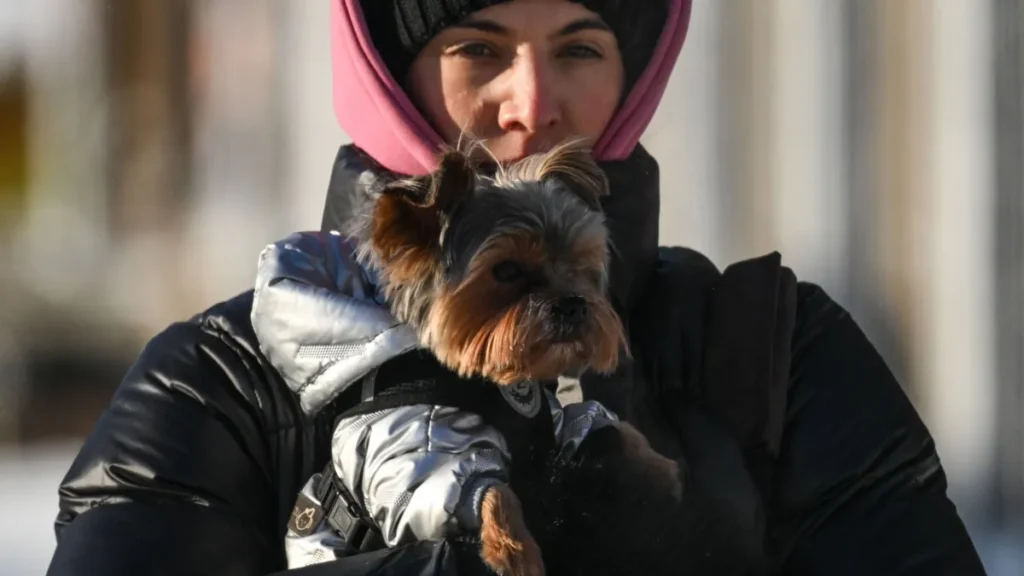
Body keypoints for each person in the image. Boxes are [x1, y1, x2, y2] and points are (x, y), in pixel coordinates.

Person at [46, 1, 988, 575]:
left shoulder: (776, 356)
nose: (532, 100)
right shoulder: (222, 388)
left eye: (580, 47)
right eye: (478, 48)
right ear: (385, 69)